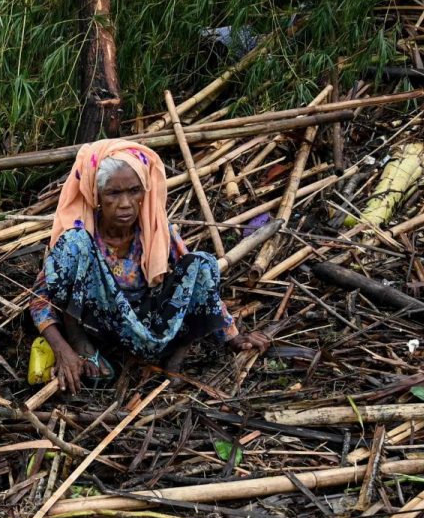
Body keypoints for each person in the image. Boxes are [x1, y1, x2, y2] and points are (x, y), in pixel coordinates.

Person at [29, 140, 258, 391]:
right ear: (97, 196)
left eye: (134, 191)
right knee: (74, 242)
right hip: (102, 327)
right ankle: (82, 347)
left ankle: (175, 359)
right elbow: (41, 299)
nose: (125, 203)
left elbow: (200, 282)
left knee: (202, 263)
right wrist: (62, 349)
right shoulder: (81, 236)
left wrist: (233, 336)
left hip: (149, 325)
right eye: (113, 193)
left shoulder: (155, 229)